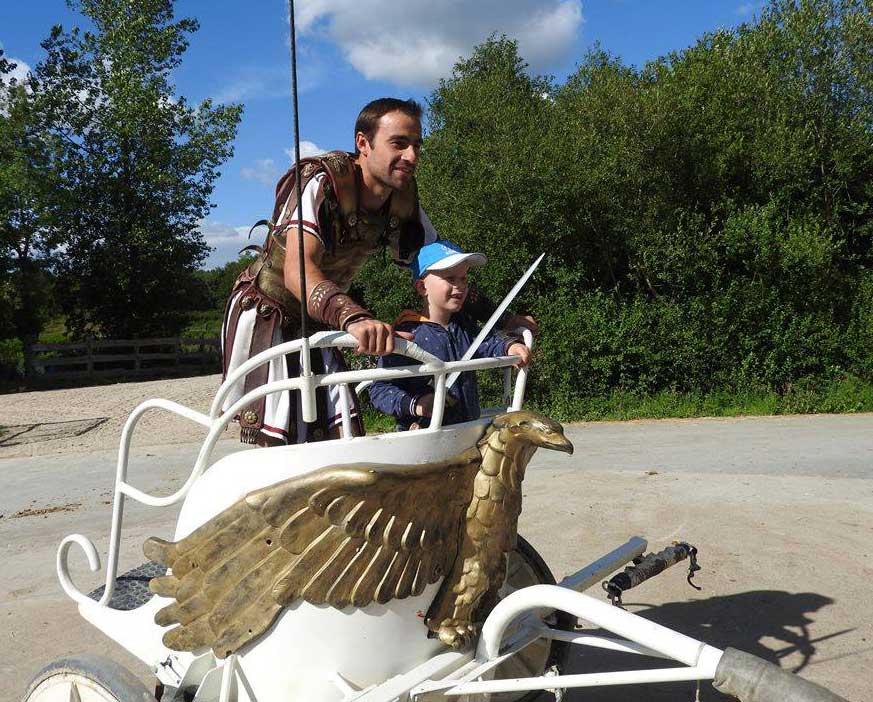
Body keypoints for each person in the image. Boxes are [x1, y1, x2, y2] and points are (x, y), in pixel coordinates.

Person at [221, 98, 535, 446]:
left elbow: (443, 270)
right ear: (363, 143)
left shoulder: (402, 200)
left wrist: (502, 318)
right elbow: (298, 268)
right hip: (270, 313)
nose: (411, 156)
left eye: (417, 146)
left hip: (323, 318)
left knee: (339, 433)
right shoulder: (322, 182)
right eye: (399, 143)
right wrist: (354, 318)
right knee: (280, 434)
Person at [368, 241, 531, 430]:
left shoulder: (463, 326)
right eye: (450, 278)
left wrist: (510, 346)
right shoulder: (407, 334)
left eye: (463, 279)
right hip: (424, 438)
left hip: (467, 431)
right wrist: (416, 403)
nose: (459, 286)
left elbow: (487, 343)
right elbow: (379, 389)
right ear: (422, 287)